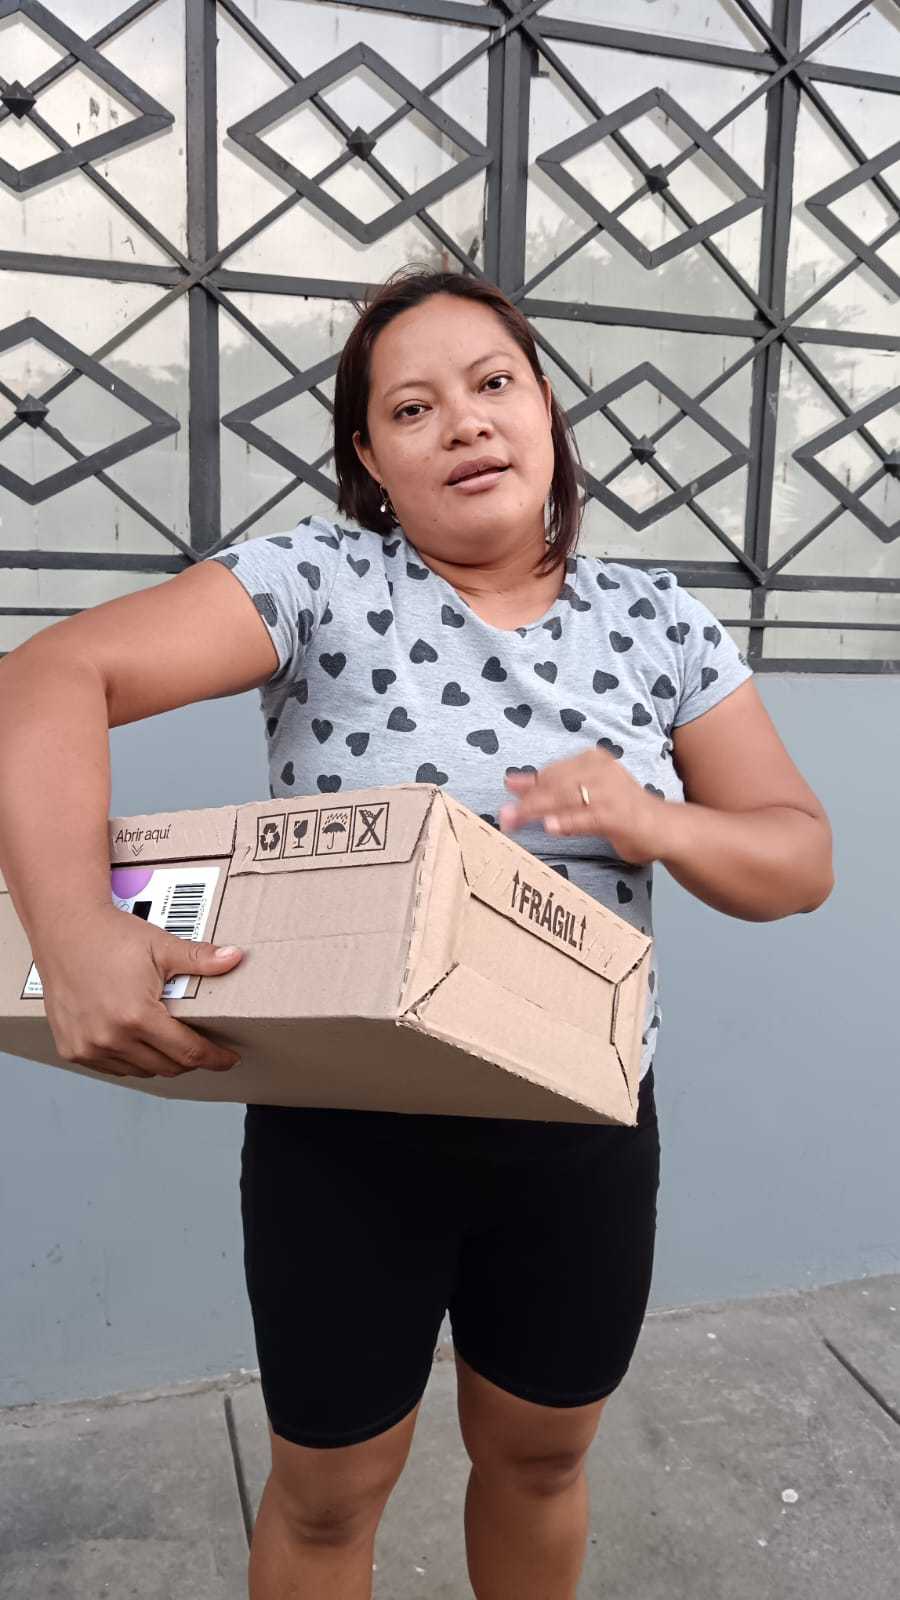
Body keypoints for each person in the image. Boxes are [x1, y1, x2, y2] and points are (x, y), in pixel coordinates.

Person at [0, 266, 834, 1600]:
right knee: (331, 1494)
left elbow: (798, 858)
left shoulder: (659, 621)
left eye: (494, 383)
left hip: (582, 1123)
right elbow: (49, 674)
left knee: (543, 1459)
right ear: (372, 461)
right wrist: (73, 928)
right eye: (411, 406)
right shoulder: (322, 582)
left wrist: (657, 820)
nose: (464, 421)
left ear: (546, 409)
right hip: (349, 1134)